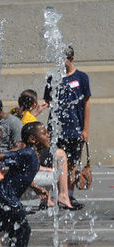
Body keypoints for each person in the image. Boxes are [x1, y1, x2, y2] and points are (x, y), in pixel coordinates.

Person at [44, 45, 91, 208]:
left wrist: (85, 128)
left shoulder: (82, 77)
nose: (59, 63)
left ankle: (69, 195)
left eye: (62, 59)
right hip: (56, 130)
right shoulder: (52, 77)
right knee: (56, 162)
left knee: (72, 163)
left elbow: (86, 103)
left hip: (75, 129)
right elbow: (48, 101)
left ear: (71, 59)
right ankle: (57, 195)